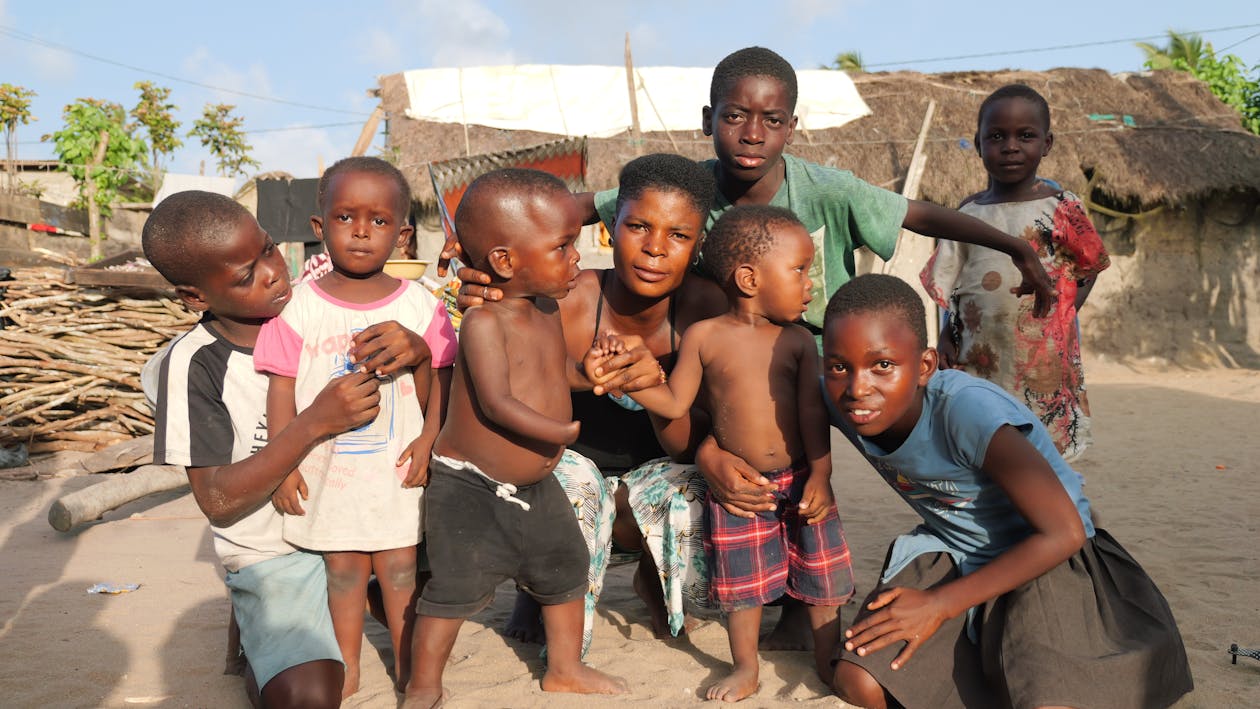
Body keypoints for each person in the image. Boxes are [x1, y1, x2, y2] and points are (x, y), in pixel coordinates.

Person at [447, 46, 1061, 650]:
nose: (751, 133)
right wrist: (476, 254)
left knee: (810, 463)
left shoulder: (822, 192)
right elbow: (550, 213)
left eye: (771, 120)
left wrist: (1017, 247)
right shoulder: (674, 197)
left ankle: (824, 591)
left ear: (792, 126)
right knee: (718, 439)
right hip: (724, 361)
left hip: (818, 353)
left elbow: (919, 215)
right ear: (707, 119)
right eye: (735, 116)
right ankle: (559, 576)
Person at [823, 274, 1193, 709]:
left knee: (1043, 699)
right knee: (859, 684)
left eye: (882, 365)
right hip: (955, 550)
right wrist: (722, 457)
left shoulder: (968, 413)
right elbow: (784, 391)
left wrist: (939, 604)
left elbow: (1065, 533)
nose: (857, 388)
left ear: (925, 366)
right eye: (838, 366)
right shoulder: (837, 396)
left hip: (1044, 558)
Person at [144, 190, 432, 708]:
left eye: (270, 251)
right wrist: (314, 422)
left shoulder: (324, 306)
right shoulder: (195, 366)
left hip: (370, 514)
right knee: (312, 696)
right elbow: (216, 499)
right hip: (283, 550)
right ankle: (267, 646)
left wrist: (420, 349)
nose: (273, 273)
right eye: (244, 275)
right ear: (195, 296)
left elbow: (428, 333)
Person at [599, 205, 854, 701]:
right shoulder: (705, 337)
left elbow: (811, 417)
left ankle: (827, 660)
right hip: (738, 489)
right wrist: (634, 380)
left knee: (822, 575)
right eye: (800, 270)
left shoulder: (799, 341)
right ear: (748, 278)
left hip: (802, 477)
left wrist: (821, 474)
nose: (809, 285)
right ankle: (745, 667)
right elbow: (674, 402)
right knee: (745, 584)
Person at [403, 169, 628, 708]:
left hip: (536, 483)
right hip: (472, 487)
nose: (577, 258)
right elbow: (498, 402)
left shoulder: (547, 309)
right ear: (505, 260)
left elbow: (557, 373)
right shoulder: (483, 323)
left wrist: (588, 372)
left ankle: (565, 668)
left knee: (567, 569)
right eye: (563, 246)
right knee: (454, 589)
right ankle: (423, 684)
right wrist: (563, 431)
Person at [254, 157, 457, 697]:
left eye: (379, 220)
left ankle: (412, 670)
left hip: (396, 469)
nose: (362, 231)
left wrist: (429, 440)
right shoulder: (297, 309)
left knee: (400, 574)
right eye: (346, 217)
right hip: (327, 473)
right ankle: (347, 668)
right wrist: (282, 464)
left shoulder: (422, 306)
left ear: (403, 234)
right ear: (320, 229)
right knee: (341, 574)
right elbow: (280, 388)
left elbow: (443, 381)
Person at [921, 84, 1110, 461]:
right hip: (979, 356)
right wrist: (946, 333)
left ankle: (1071, 518)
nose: (1010, 146)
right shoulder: (967, 214)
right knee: (984, 445)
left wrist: (1064, 313)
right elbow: (954, 286)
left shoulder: (1062, 206)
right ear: (978, 144)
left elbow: (1090, 267)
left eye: (1025, 136)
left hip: (1043, 358)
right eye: (996, 136)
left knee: (1045, 454)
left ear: (1047, 143)